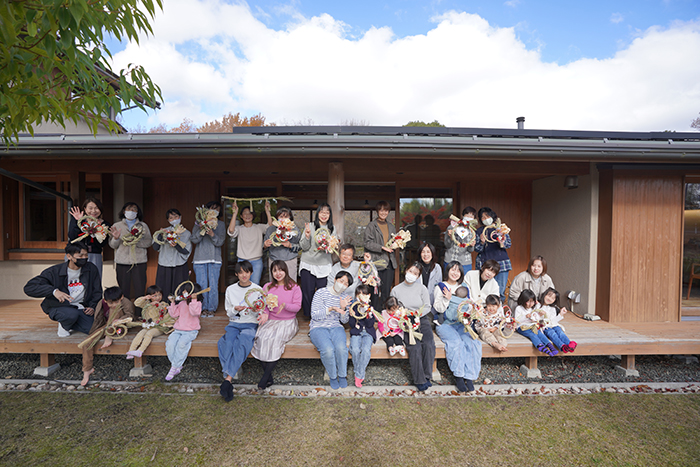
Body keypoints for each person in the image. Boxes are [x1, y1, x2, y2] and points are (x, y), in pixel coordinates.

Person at [24, 242, 102, 337]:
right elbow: (29, 287)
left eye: (86, 255)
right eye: (80, 255)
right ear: (69, 256)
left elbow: (97, 291)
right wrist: (54, 291)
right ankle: (64, 324)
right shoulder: (54, 271)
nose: (84, 258)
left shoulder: (91, 269)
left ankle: (70, 322)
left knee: (94, 329)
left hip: (81, 307)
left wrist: (92, 306)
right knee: (71, 314)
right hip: (59, 307)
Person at [251, 260, 302, 390]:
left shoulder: (294, 287)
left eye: (280, 270)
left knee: (275, 340)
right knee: (261, 337)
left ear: (285, 271)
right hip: (271, 320)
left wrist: (285, 305)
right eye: (275, 270)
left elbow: (297, 307)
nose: (278, 273)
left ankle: (265, 377)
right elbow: (265, 305)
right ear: (271, 273)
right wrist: (265, 314)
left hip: (287, 321)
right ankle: (269, 377)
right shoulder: (267, 287)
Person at [218, 261, 263, 402]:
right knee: (226, 343)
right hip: (234, 323)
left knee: (244, 340)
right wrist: (234, 309)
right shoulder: (230, 290)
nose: (244, 275)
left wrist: (256, 310)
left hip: (250, 323)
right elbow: (228, 312)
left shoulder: (257, 289)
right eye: (241, 272)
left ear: (251, 273)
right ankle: (231, 374)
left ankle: (228, 379)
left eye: (247, 272)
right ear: (236, 274)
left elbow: (261, 311)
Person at [434, 260, 480, 393]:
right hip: (445, 324)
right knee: (456, 343)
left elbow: (470, 304)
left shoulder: (464, 287)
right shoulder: (441, 287)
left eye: (458, 270)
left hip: (462, 324)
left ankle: (469, 376)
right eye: (452, 269)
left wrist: (473, 312)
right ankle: (459, 376)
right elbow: (438, 308)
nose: (455, 273)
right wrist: (447, 298)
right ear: (447, 270)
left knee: (472, 343)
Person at [390, 262, 434, 392]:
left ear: (418, 276)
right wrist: (403, 315)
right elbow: (392, 308)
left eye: (415, 273)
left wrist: (417, 314)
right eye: (410, 271)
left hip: (421, 319)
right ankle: (419, 380)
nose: (412, 275)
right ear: (406, 271)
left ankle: (427, 376)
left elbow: (427, 306)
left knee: (429, 344)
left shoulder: (422, 288)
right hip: (404, 321)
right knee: (415, 347)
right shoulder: (396, 290)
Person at [81, 286, 136, 386]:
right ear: (105, 300)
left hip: (120, 327)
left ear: (121, 297)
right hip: (106, 327)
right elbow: (98, 319)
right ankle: (87, 370)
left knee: (115, 310)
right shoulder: (101, 303)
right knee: (87, 343)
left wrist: (119, 320)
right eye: (110, 303)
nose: (114, 304)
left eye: (116, 302)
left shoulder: (125, 302)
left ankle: (109, 335)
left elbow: (130, 316)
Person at [309, 271, 353, 390]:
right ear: (335, 280)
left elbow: (344, 320)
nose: (342, 285)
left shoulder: (345, 297)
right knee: (328, 350)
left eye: (346, 284)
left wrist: (343, 308)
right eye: (341, 281)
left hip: (336, 326)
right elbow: (314, 315)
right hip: (318, 327)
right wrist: (332, 308)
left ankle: (342, 375)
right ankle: (333, 376)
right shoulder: (321, 292)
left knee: (341, 349)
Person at [299, 203, 337, 318]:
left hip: (324, 264)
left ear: (330, 215)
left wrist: (329, 246)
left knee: (323, 292)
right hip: (308, 263)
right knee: (307, 292)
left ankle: (321, 315)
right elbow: (303, 247)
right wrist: (307, 236)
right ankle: (308, 315)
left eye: (327, 212)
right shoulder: (310, 226)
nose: (324, 215)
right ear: (318, 213)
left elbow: (332, 249)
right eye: (322, 212)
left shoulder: (332, 228)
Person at [109, 202, 152, 300]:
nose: (131, 211)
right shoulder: (117, 225)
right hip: (122, 261)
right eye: (129, 209)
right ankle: (125, 309)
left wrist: (136, 242)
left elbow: (149, 241)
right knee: (123, 289)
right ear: (124, 211)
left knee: (140, 288)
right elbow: (112, 245)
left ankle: (139, 309)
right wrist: (116, 238)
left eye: (134, 209)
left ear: (137, 212)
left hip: (139, 261)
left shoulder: (143, 225)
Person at [191, 200, 226, 317]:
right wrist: (201, 230)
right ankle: (202, 308)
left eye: (217, 209)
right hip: (199, 259)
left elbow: (220, 242)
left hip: (214, 259)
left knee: (213, 285)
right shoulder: (198, 223)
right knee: (201, 285)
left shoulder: (221, 224)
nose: (214, 211)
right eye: (211, 208)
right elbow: (194, 240)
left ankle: (211, 308)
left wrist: (212, 234)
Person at [227, 201, 272, 287]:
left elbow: (270, 227)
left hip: (256, 261)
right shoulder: (239, 228)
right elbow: (231, 230)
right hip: (242, 261)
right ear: (241, 216)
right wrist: (234, 213)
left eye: (250, 213)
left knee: (255, 285)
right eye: (245, 213)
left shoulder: (259, 227)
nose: (247, 215)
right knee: (243, 284)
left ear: (253, 215)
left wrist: (267, 211)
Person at [165, 283, 203, 381]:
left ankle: (173, 368)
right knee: (170, 344)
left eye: (186, 291)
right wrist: (172, 303)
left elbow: (194, 312)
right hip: (178, 329)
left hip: (191, 331)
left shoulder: (197, 303)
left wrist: (193, 300)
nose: (183, 292)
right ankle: (177, 365)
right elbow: (174, 314)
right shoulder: (182, 303)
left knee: (181, 344)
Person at [364, 201, 397, 310]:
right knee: (374, 291)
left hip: (389, 262)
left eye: (386, 210)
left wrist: (398, 244)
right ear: (377, 211)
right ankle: (373, 313)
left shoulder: (391, 227)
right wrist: (382, 247)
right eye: (381, 210)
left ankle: (384, 313)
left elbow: (394, 242)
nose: (384, 213)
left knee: (386, 291)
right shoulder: (371, 226)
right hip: (376, 263)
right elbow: (367, 243)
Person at [153, 208, 192, 300]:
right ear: (168, 220)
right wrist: (160, 236)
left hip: (179, 264)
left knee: (179, 289)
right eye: (171, 218)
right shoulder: (164, 231)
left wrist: (176, 245)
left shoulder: (186, 233)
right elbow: (155, 247)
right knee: (163, 288)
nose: (174, 219)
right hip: (164, 263)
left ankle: (178, 306)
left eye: (176, 216)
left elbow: (187, 251)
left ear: (180, 217)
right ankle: (164, 306)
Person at [474, 207, 511, 302]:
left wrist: (501, 241)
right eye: (483, 217)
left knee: (500, 292)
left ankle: (498, 309)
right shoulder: (479, 231)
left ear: (492, 216)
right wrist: (482, 242)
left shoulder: (501, 229)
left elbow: (508, 244)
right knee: (484, 290)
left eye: (487, 216)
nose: (485, 219)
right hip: (485, 264)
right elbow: (476, 249)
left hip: (501, 264)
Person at [68, 197, 110, 279]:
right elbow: (72, 236)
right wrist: (79, 221)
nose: (93, 211)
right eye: (90, 208)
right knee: (74, 279)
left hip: (94, 254)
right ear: (85, 209)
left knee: (94, 279)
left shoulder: (104, 224)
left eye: (96, 208)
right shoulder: (78, 219)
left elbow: (102, 243)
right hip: (76, 254)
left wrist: (97, 229)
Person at [127, 285, 172, 359]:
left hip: (159, 327)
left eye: (159, 295)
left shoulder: (163, 304)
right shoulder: (146, 304)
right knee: (140, 333)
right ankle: (131, 351)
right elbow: (136, 303)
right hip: (149, 325)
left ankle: (140, 350)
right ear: (150, 296)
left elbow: (164, 310)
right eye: (155, 296)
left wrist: (159, 306)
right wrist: (145, 298)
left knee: (149, 334)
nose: (158, 297)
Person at [348, 284, 377, 388]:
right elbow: (352, 324)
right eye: (358, 294)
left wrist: (368, 312)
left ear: (369, 295)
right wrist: (351, 315)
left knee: (365, 350)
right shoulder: (354, 307)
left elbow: (370, 324)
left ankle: (358, 375)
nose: (361, 297)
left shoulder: (370, 308)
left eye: (364, 294)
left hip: (368, 332)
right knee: (355, 350)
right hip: (356, 331)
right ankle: (359, 373)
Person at [514, 289, 558, 356]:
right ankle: (540, 346)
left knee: (539, 333)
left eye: (532, 302)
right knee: (532, 334)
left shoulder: (533, 308)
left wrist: (538, 315)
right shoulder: (519, 308)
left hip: (532, 325)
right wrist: (525, 317)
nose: (530, 304)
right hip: (522, 327)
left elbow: (536, 318)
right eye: (528, 302)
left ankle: (549, 345)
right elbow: (517, 320)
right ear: (523, 300)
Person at [263, 206, 301, 281]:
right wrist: (265, 245)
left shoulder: (295, 230)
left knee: (290, 284)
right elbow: (263, 247)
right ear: (277, 217)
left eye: (286, 216)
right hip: (274, 260)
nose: (283, 219)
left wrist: (290, 245)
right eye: (281, 216)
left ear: (290, 218)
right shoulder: (270, 229)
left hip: (290, 260)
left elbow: (301, 246)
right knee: (275, 285)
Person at [539, 288, 578, 353]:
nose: (550, 299)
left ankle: (569, 344)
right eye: (549, 295)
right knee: (552, 333)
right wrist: (539, 315)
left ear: (555, 300)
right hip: (545, 327)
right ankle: (562, 346)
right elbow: (535, 317)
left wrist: (561, 314)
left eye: (552, 298)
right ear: (544, 294)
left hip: (553, 325)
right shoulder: (538, 306)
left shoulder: (552, 308)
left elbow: (553, 321)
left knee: (560, 332)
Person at [444, 206, 477, 274]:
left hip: (465, 262)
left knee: (465, 280)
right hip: (450, 260)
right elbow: (447, 245)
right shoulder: (452, 227)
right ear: (463, 215)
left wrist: (471, 246)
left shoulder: (472, 230)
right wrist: (451, 238)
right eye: (467, 215)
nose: (469, 217)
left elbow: (471, 250)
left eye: (471, 216)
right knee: (449, 280)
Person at [417, 242, 443, 321]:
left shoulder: (437, 268)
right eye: (423, 252)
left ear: (432, 253)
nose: (426, 254)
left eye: (428, 252)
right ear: (420, 254)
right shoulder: (416, 267)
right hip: (417, 306)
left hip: (432, 305)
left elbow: (438, 288)